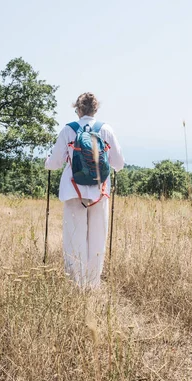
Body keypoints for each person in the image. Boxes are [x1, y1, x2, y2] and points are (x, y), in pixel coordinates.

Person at [45, 92, 124, 288]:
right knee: (97, 239)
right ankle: (93, 285)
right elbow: (119, 164)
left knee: (74, 239)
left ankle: (75, 285)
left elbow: (54, 163)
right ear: (95, 110)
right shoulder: (106, 130)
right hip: (100, 191)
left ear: (78, 109)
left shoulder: (68, 130)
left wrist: (47, 162)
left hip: (73, 191)